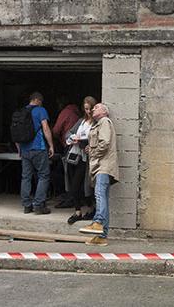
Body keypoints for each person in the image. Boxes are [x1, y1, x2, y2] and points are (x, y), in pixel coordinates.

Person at [78, 103, 117, 246]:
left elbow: (105, 143)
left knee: (99, 195)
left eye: (97, 107)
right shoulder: (98, 124)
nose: (93, 108)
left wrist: (93, 152)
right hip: (101, 166)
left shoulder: (104, 122)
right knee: (103, 197)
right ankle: (102, 236)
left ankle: (98, 222)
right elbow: (99, 142)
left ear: (104, 111)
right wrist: (90, 147)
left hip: (103, 166)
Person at [18, 92, 54, 215]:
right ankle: (38, 205)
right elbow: (45, 128)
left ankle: (27, 205)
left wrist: (19, 148)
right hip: (38, 147)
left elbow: (16, 131)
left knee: (26, 177)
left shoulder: (21, 112)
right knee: (44, 175)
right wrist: (51, 145)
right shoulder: (40, 110)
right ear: (38, 100)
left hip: (24, 149)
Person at [64, 96, 97, 225]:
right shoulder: (81, 121)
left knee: (85, 186)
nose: (88, 112)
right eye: (86, 109)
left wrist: (89, 144)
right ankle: (78, 211)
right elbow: (68, 133)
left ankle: (90, 208)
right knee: (74, 186)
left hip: (86, 158)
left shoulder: (97, 123)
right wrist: (73, 137)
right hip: (74, 156)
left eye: (90, 109)